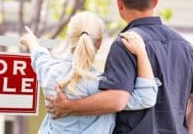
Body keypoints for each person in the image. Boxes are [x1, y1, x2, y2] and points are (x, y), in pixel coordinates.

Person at [46, 0, 193, 134]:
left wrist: (69, 106)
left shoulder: (125, 44)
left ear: (119, 4)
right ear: (155, 1)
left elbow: (117, 100)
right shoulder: (183, 46)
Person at [20, 11, 161, 134]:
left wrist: (31, 41)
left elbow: (39, 57)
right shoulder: (104, 88)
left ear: (69, 39)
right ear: (99, 43)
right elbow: (146, 97)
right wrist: (141, 52)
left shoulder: (50, 72)